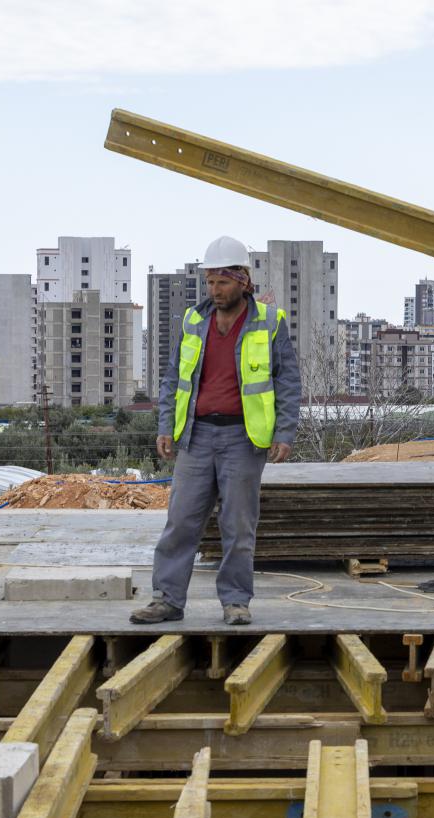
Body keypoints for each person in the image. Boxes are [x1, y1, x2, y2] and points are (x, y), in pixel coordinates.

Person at [131, 236, 300, 626]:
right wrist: (165, 426)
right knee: (181, 522)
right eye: (209, 282)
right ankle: (167, 600)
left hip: (243, 438)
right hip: (196, 436)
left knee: (238, 525)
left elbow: (288, 381)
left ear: (243, 280)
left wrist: (284, 432)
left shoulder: (269, 322)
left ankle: (236, 601)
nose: (214, 290)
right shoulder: (194, 321)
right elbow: (173, 377)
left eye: (222, 282)